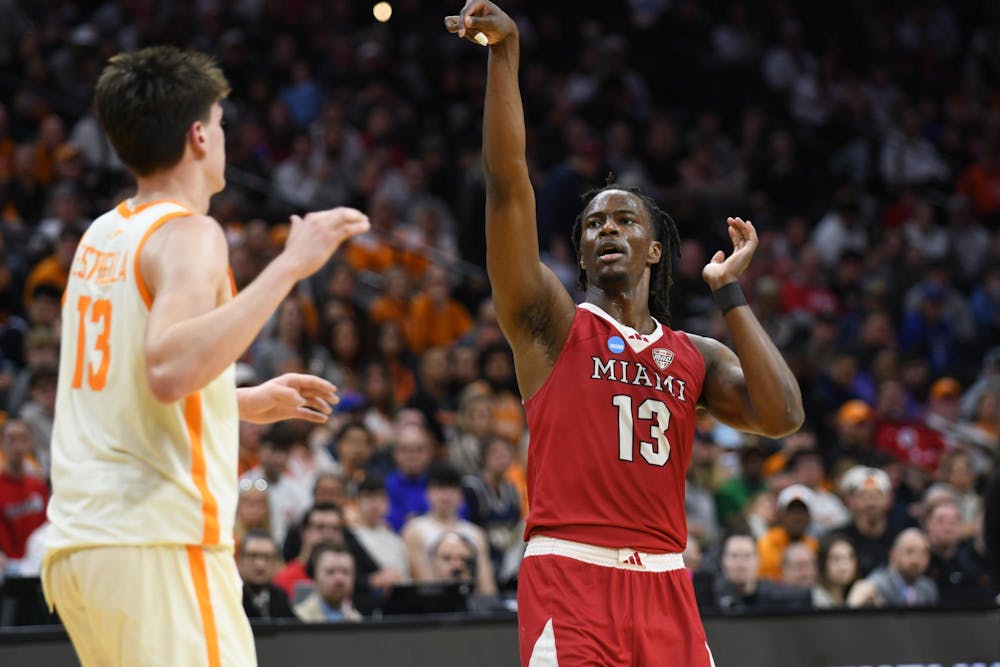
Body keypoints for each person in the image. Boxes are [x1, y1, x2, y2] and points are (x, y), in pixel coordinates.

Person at [446, 3, 804, 664]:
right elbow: (506, 189)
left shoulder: (695, 354)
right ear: (580, 254)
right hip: (571, 574)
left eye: (623, 221)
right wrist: (506, 53)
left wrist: (728, 293)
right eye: (592, 224)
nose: (606, 229)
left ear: (654, 250)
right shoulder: (552, 325)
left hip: (667, 578)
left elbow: (782, 415)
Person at [41, 46, 369, 667]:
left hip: (85, 549)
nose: (222, 137)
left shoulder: (101, 235)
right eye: (219, 124)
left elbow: (122, 382)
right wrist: (290, 267)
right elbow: (166, 371)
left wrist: (237, 400)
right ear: (198, 134)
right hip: (159, 543)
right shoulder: (191, 233)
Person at [863, 528, 939, 607]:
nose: (916, 560)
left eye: (923, 553)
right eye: (910, 552)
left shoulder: (928, 589)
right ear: (893, 554)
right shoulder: (876, 586)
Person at [293, 540, 362, 622]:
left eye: (345, 572)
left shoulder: (358, 619)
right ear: (314, 576)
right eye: (330, 572)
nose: (339, 579)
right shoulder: (298, 619)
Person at [238, 531, 296, 621]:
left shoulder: (280, 597)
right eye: (253, 556)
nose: (260, 564)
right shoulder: (230, 597)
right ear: (240, 561)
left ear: (277, 563)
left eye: (267, 557)